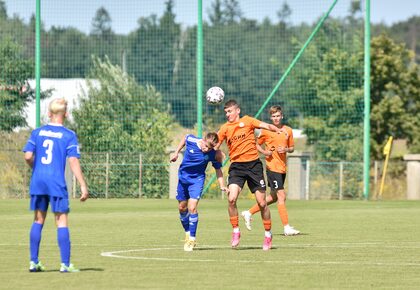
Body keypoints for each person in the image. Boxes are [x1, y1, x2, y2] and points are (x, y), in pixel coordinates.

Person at [23, 98, 89, 273]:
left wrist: (36, 169)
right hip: (56, 182)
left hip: (38, 181)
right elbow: (73, 160)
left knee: (38, 220)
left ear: (49, 113)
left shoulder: (37, 132)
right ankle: (65, 264)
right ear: (65, 114)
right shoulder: (69, 135)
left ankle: (33, 262)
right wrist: (82, 184)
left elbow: (28, 156)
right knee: (61, 221)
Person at [216, 99, 286, 250]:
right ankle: (235, 231)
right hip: (236, 167)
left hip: (254, 166)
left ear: (237, 111)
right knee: (231, 198)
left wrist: (276, 129)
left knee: (262, 203)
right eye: (226, 112)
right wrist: (210, 148)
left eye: (230, 111)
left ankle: (268, 234)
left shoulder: (247, 121)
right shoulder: (224, 128)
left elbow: (264, 125)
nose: (227, 114)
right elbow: (215, 143)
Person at [241, 105, 300, 236]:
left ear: (282, 116)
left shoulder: (288, 130)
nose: (276, 118)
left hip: (282, 168)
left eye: (278, 116)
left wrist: (285, 150)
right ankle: (286, 228)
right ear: (270, 117)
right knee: (281, 196)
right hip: (272, 167)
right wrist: (265, 152)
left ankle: (249, 212)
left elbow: (291, 148)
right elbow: (255, 144)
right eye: (273, 116)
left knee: (273, 197)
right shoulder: (266, 131)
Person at [170, 132, 228, 252]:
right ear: (203, 140)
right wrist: (176, 152)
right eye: (206, 146)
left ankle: (192, 239)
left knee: (192, 208)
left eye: (210, 148)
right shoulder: (192, 140)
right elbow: (185, 138)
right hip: (183, 178)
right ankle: (187, 233)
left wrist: (222, 185)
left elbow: (218, 170)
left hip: (197, 181)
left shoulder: (212, 154)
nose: (206, 149)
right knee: (182, 208)